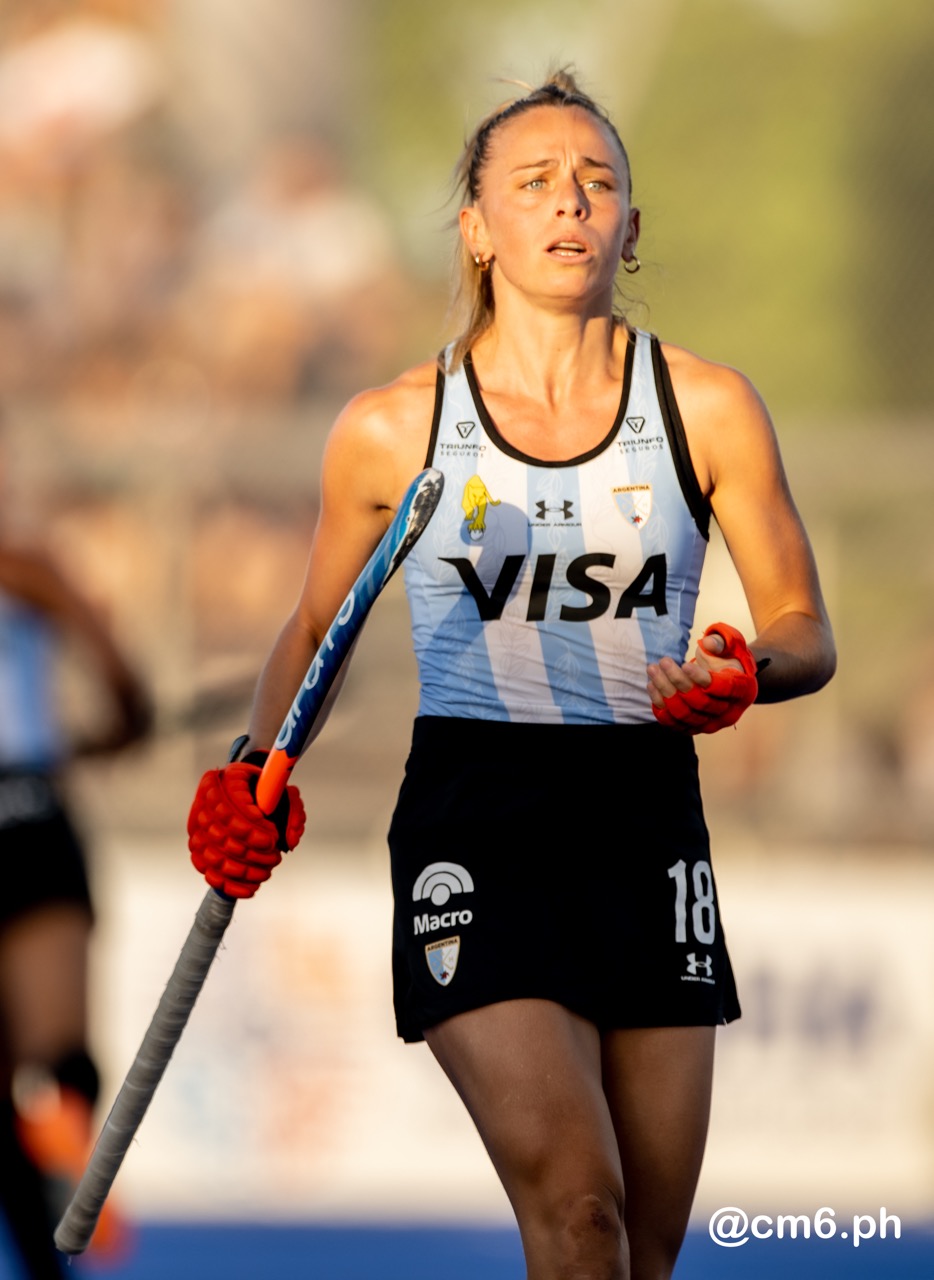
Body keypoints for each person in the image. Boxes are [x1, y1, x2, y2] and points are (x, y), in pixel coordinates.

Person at [187, 69, 836, 1280]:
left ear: (630, 227)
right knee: (579, 1211)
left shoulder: (707, 406)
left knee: (641, 1252)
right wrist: (251, 766)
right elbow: (316, 626)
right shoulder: (394, 425)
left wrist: (745, 673)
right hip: (476, 817)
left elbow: (804, 627)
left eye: (596, 182)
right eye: (533, 182)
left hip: (647, 819)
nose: (569, 203)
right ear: (477, 228)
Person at [0, 495, 152, 1274]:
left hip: (24, 805)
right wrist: (106, 735)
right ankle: (65, 1132)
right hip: (27, 810)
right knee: (56, 1056)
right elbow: (127, 692)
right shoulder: (25, 568)